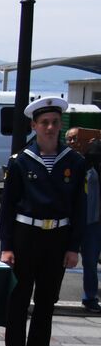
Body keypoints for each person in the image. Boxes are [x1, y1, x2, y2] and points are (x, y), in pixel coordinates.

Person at [0, 97, 89, 346]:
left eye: (54, 122)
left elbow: (80, 208)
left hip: (58, 238)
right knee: (18, 301)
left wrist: (74, 247)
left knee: (46, 302)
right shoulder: (20, 162)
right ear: (34, 126)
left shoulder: (74, 162)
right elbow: (7, 208)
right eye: (44, 123)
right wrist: (7, 246)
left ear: (60, 125)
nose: (50, 128)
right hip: (26, 236)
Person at [73, 130, 101, 315]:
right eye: (70, 139)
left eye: (76, 139)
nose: (73, 142)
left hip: (93, 222)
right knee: (62, 260)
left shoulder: (95, 166)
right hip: (74, 221)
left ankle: (90, 297)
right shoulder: (71, 162)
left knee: (90, 262)